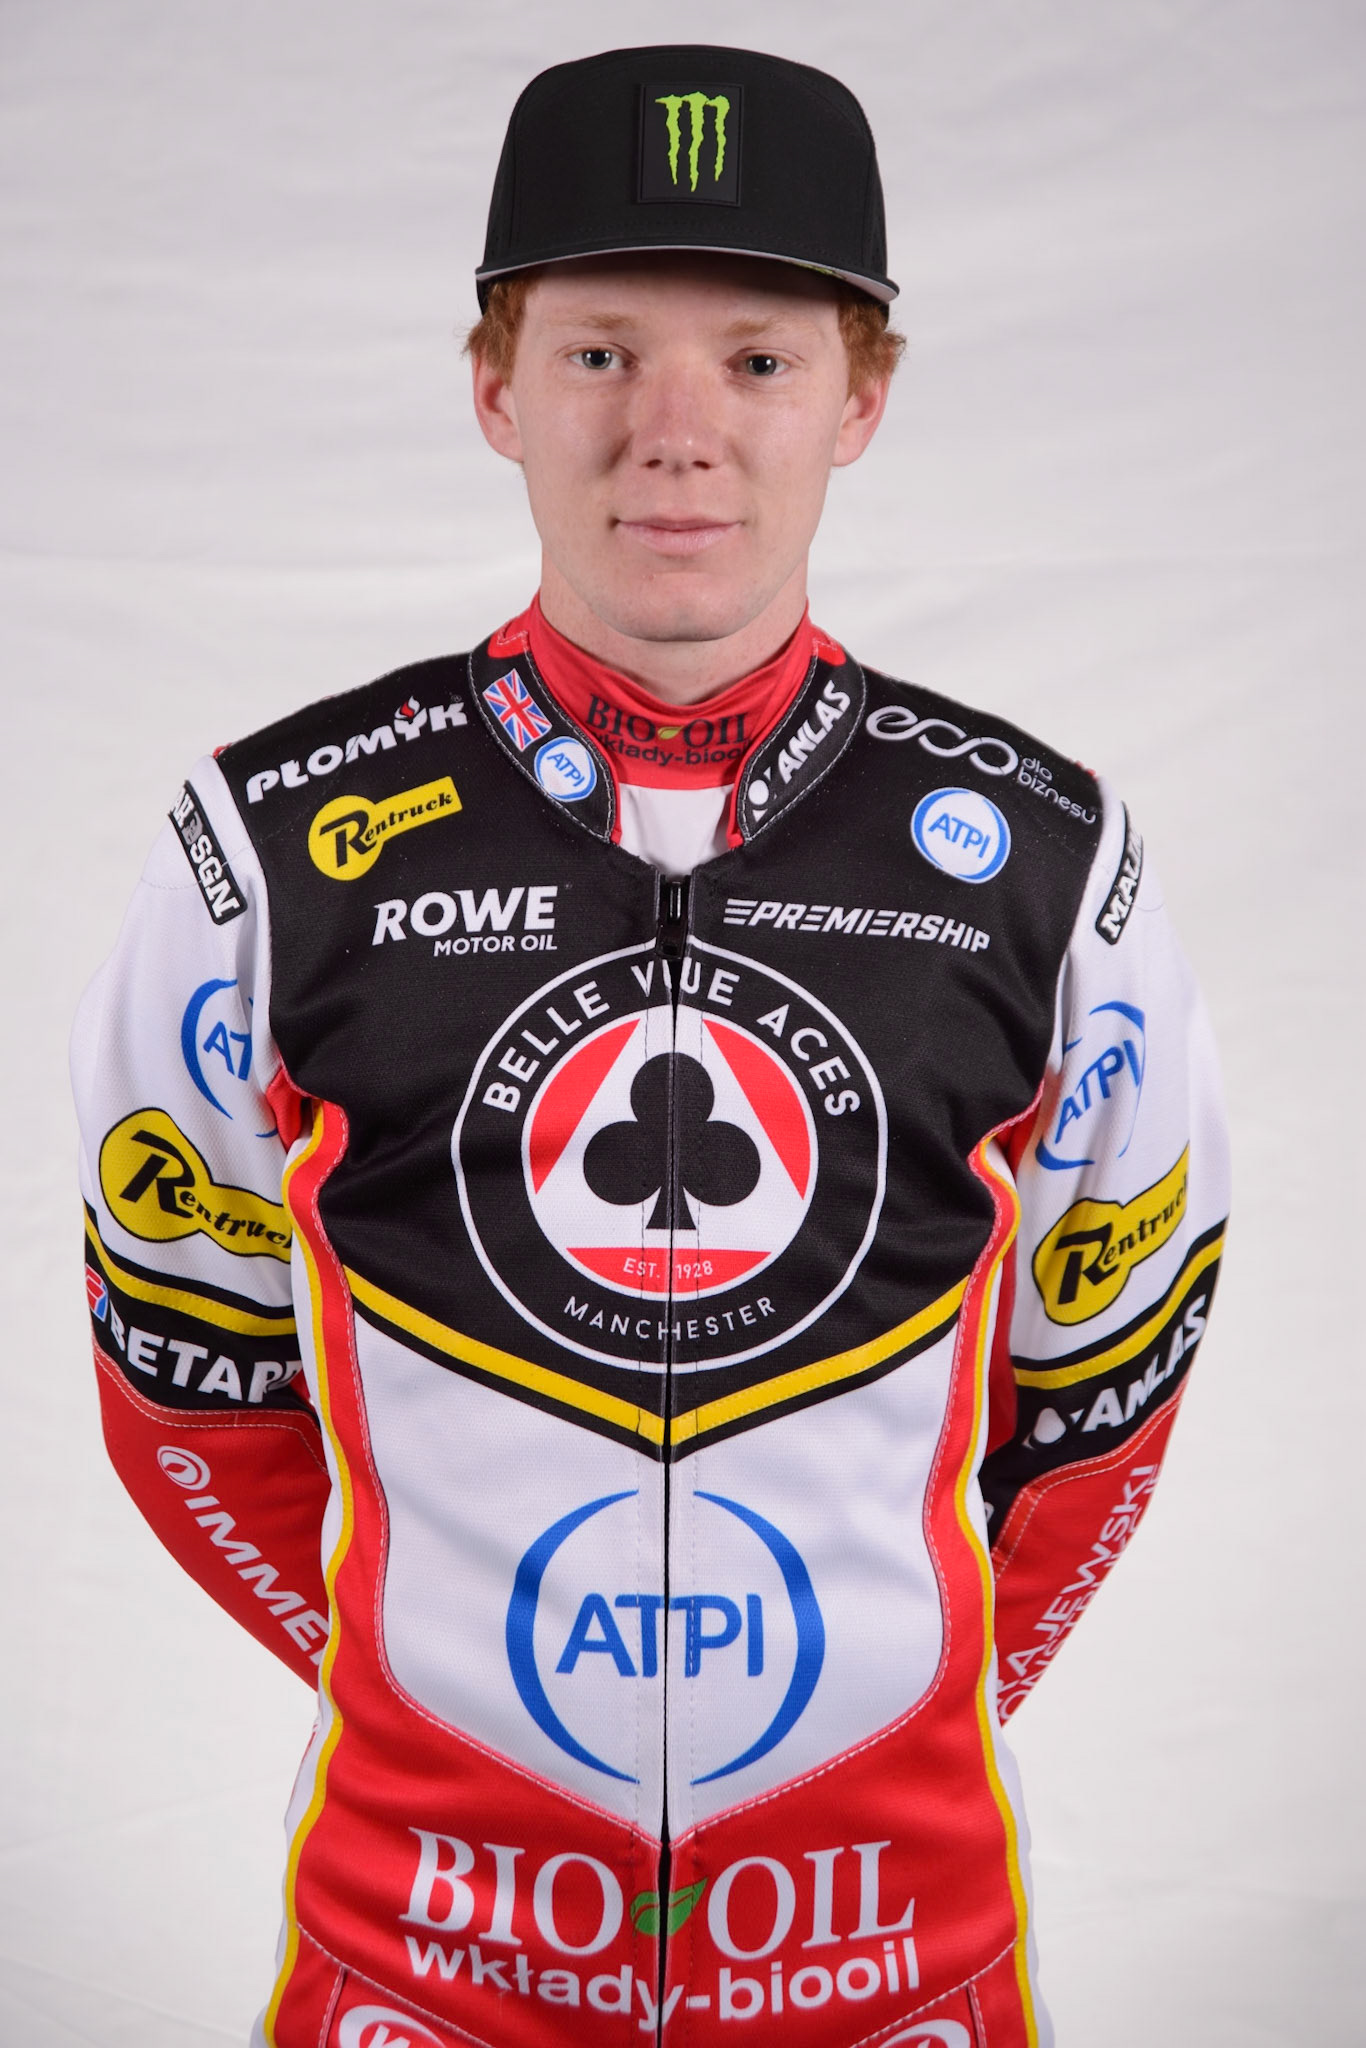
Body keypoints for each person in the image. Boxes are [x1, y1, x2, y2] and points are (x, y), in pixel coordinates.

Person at [71, 43, 1229, 2048]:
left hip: (895, 1966)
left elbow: (1103, 1399)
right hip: (415, 1964)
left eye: (756, 363)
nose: (672, 435)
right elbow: (185, 1381)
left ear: (860, 397)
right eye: (601, 353)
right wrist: (441, 1725)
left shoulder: (1052, 859)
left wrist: (881, 1737)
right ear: (491, 388)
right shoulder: (262, 846)